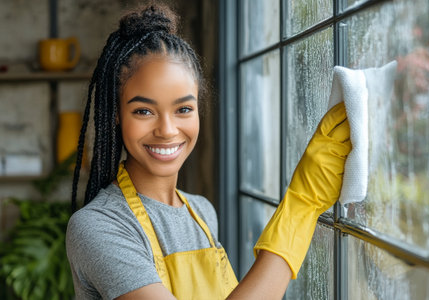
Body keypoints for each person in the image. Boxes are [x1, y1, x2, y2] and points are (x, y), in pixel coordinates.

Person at [66, 3, 351, 300]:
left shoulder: (202, 211)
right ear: (116, 114)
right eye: (143, 111)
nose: (167, 129)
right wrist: (301, 206)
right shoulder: (98, 226)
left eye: (183, 109)